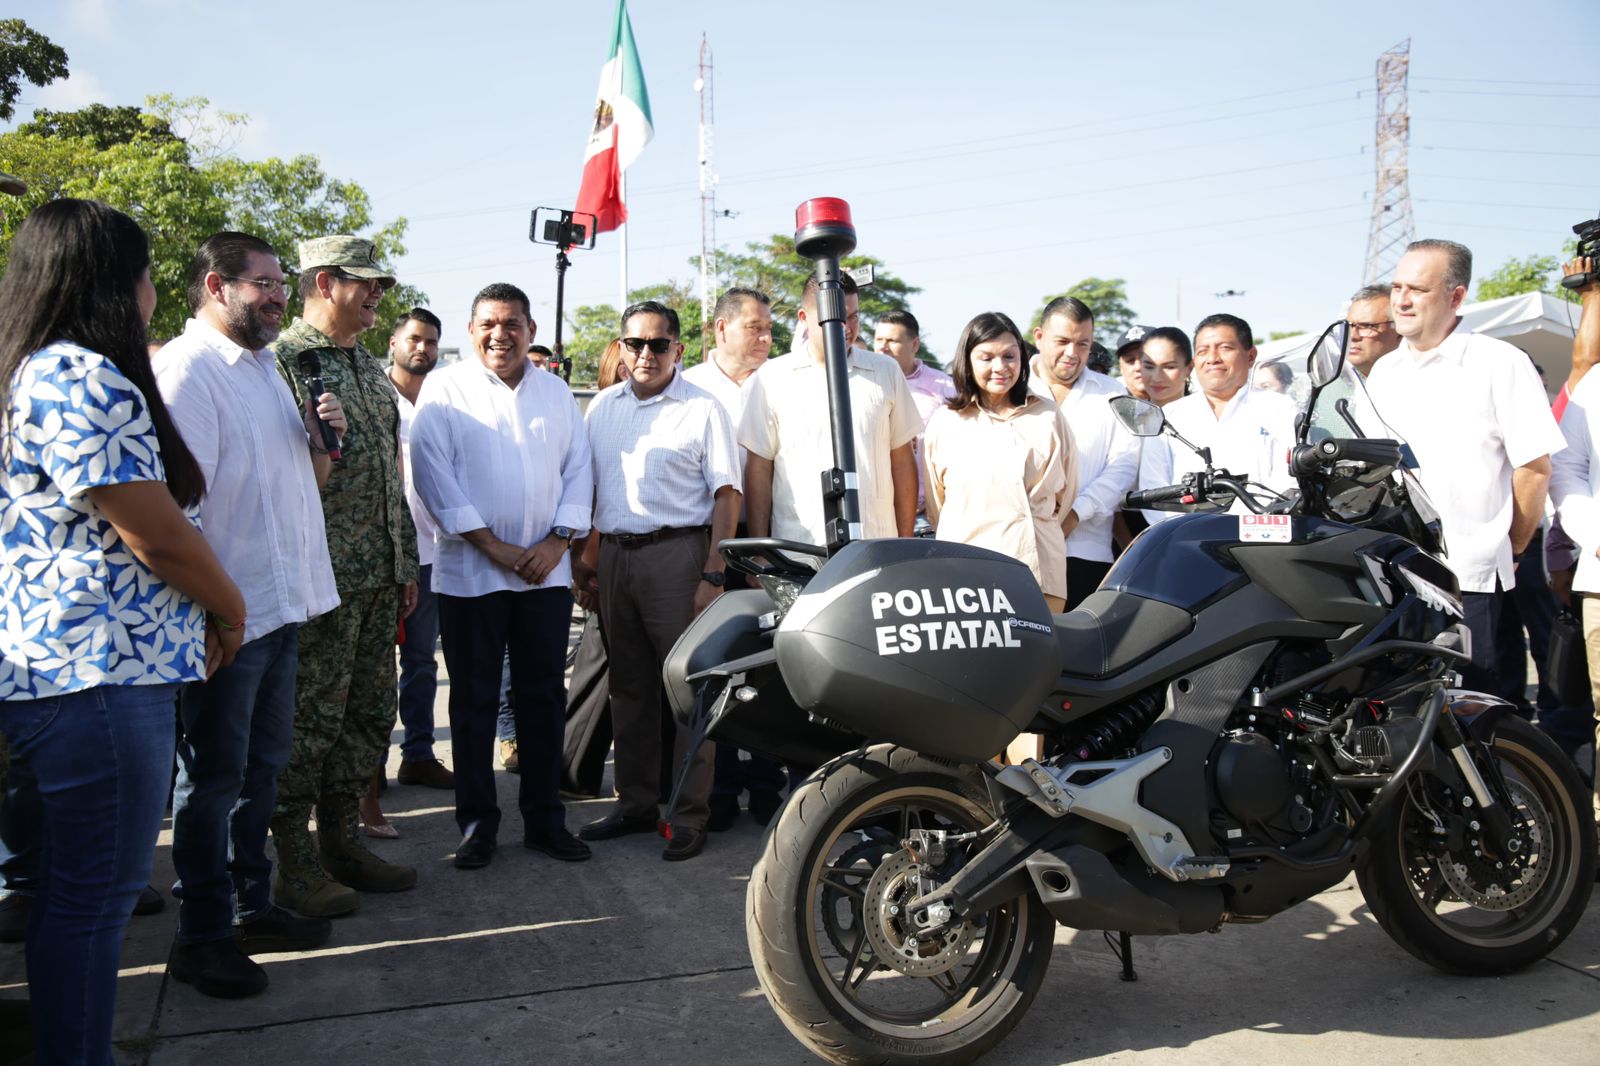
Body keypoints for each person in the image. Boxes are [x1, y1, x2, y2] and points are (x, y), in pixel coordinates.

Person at [0, 199, 246, 1064]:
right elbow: (152, 531)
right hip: (98, 677)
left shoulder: (32, 368)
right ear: (113, 283)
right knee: (92, 899)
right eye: (144, 273)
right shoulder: (79, 375)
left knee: (77, 895)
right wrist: (230, 605)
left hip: (77, 675)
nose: (151, 292)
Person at [152, 232, 349, 998]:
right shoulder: (188, 372)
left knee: (259, 773)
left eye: (279, 284)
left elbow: (310, 483)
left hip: (280, 607)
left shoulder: (270, 368)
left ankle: (248, 904)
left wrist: (321, 436)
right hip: (227, 621)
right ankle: (201, 937)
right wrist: (213, 613)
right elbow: (177, 512)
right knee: (215, 783)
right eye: (262, 283)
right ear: (215, 285)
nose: (276, 296)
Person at [410, 283, 593, 870]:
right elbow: (430, 473)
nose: (500, 334)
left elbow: (579, 470)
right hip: (470, 574)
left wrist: (555, 539)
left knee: (542, 698)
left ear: (531, 330)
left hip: (545, 572)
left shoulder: (557, 392)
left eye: (512, 323)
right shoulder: (445, 389)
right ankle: (477, 826)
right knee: (473, 702)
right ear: (471, 331)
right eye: (488, 323)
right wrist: (491, 544)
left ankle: (545, 820)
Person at [270, 237, 420, 915]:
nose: (378, 296)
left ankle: (342, 842)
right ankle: (293, 863)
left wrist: (405, 558)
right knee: (311, 725)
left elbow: (390, 469)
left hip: (377, 575)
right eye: (366, 284)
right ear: (325, 283)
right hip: (319, 580)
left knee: (366, 719)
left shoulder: (364, 366)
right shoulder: (283, 360)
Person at [577, 301, 741, 861]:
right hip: (617, 557)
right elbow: (593, 490)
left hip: (678, 555)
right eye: (635, 343)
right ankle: (636, 803)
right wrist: (589, 562)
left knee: (688, 691)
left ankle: (689, 813)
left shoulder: (702, 408)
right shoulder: (601, 407)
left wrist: (713, 573)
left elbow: (727, 494)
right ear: (621, 347)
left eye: (658, 344)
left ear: (678, 348)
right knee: (628, 690)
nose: (645, 354)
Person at [1367, 238, 1565, 695]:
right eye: (1397, 286)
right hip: (1397, 576)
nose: (1401, 299)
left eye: (1417, 288)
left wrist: (1507, 549)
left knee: (1476, 712)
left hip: (1469, 577)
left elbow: (1534, 469)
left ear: (1456, 296)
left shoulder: (1500, 363)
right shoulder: (1385, 372)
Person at [683, 288, 787, 830]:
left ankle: (768, 782)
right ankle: (717, 785)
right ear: (721, 329)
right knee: (716, 662)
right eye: (755, 327)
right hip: (708, 537)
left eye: (770, 328)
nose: (767, 338)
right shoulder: (689, 388)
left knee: (772, 660)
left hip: (770, 538)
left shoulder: (785, 381)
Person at [741, 274, 922, 547]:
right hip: (799, 550)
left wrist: (904, 543)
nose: (847, 327)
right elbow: (759, 470)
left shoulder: (885, 371)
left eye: (853, 317)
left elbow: (902, 461)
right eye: (835, 317)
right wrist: (760, 553)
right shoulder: (772, 378)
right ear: (803, 317)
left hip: (876, 545)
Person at [923, 312, 1079, 612]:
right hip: (965, 573)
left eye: (1009, 356)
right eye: (986, 357)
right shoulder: (946, 422)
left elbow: (1066, 492)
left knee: (1038, 658)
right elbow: (937, 502)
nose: (1000, 367)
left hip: (1038, 568)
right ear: (967, 361)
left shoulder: (1047, 415)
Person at [1028, 297, 1136, 609]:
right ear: (1039, 336)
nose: (1072, 354)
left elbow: (1123, 468)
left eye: (1083, 344)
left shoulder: (1112, 393)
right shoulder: (1011, 388)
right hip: (1017, 549)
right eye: (1062, 341)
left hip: (1086, 551)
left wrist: (1074, 514)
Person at [386, 307, 454, 791]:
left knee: (422, 662)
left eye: (431, 341)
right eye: (414, 339)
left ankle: (418, 753)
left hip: (432, 551)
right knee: (369, 665)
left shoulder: (445, 399)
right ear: (393, 342)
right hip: (378, 550)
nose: (422, 349)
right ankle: (366, 767)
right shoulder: (372, 395)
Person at [1145, 313, 1298, 512]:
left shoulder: (1279, 408)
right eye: (1203, 351)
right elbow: (1153, 489)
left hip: (1262, 535)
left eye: (1225, 348)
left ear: (1250, 356)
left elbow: (1290, 482)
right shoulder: (1169, 417)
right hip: (1186, 535)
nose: (1212, 359)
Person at [873, 309, 955, 526]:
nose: (882, 347)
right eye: (879, 339)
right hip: (877, 513)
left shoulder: (945, 388)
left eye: (892, 341)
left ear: (915, 345)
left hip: (929, 515)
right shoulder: (865, 385)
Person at [1345, 283, 1401, 378]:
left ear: (1399, 332)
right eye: (1349, 326)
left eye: (1367, 326)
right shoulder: (1325, 383)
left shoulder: (1419, 384)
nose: (1353, 336)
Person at [1139, 326, 1193, 407]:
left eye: (1169, 367)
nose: (1156, 378)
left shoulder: (1205, 417)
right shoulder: (1124, 417)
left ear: (1189, 368)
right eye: (1149, 367)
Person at [1113, 325, 1155, 400]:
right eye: (1130, 360)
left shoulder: (1181, 406)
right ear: (1121, 368)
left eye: (1146, 359)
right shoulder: (1105, 403)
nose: (1138, 367)